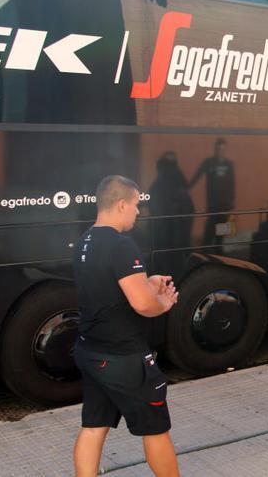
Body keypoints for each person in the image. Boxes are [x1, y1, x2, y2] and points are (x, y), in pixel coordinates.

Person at [72, 175, 180, 477]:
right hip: (123, 357)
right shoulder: (121, 245)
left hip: (91, 351)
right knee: (157, 429)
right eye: (136, 205)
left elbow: (108, 287)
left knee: (94, 426)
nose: (138, 212)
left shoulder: (85, 241)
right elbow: (144, 305)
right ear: (121, 204)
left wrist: (147, 282)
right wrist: (165, 303)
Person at [190, 138, 235, 245]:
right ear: (215, 149)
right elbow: (197, 175)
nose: (221, 151)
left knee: (221, 231)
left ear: (225, 150)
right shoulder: (208, 162)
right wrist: (187, 187)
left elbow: (232, 184)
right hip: (213, 203)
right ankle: (206, 248)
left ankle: (219, 248)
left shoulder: (229, 164)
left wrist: (232, 201)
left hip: (225, 204)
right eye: (218, 149)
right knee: (210, 228)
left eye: (223, 149)